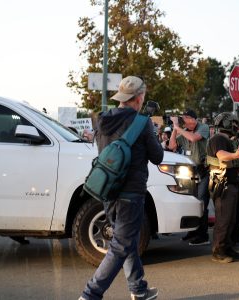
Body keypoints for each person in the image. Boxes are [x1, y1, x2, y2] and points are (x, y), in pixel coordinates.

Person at [80, 76, 163, 300]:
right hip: (131, 193)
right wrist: (153, 131)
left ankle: (138, 289)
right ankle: (90, 294)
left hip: (108, 190)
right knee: (120, 246)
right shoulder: (142, 122)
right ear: (139, 97)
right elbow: (157, 156)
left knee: (126, 241)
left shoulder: (102, 119)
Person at [207, 112, 239, 263]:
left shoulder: (225, 139)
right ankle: (218, 251)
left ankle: (227, 248)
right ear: (227, 124)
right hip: (223, 185)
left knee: (231, 219)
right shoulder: (218, 138)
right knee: (223, 220)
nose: (236, 127)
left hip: (230, 183)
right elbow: (222, 156)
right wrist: (236, 155)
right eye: (234, 124)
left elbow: (227, 162)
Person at [168, 109, 211, 246]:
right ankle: (192, 231)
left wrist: (177, 127)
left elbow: (193, 138)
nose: (183, 121)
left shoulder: (203, 127)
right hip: (188, 172)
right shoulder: (183, 131)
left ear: (193, 119)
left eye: (185, 118)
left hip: (203, 170)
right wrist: (175, 130)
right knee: (190, 201)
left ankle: (203, 235)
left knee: (201, 201)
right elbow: (172, 146)